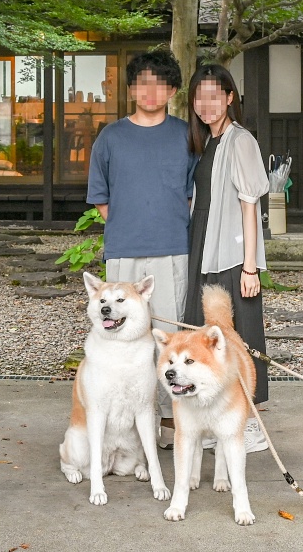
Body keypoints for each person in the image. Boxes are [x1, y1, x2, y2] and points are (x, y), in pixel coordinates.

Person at [86, 49, 195, 449]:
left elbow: (190, 195)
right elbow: (102, 198)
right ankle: (125, 422)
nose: (151, 91)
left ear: (172, 90)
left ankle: (169, 422)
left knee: (168, 337)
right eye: (142, 83)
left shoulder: (186, 134)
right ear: (131, 88)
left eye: (160, 83)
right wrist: (132, 223)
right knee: (121, 336)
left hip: (173, 247)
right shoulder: (111, 137)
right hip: (125, 249)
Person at [183, 64, 270, 453]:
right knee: (207, 335)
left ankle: (249, 424)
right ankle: (215, 421)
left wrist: (250, 266)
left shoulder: (241, 141)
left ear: (231, 97)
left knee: (243, 336)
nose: (206, 104)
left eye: (215, 95)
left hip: (233, 252)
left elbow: (250, 206)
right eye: (200, 97)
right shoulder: (207, 143)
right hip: (203, 244)